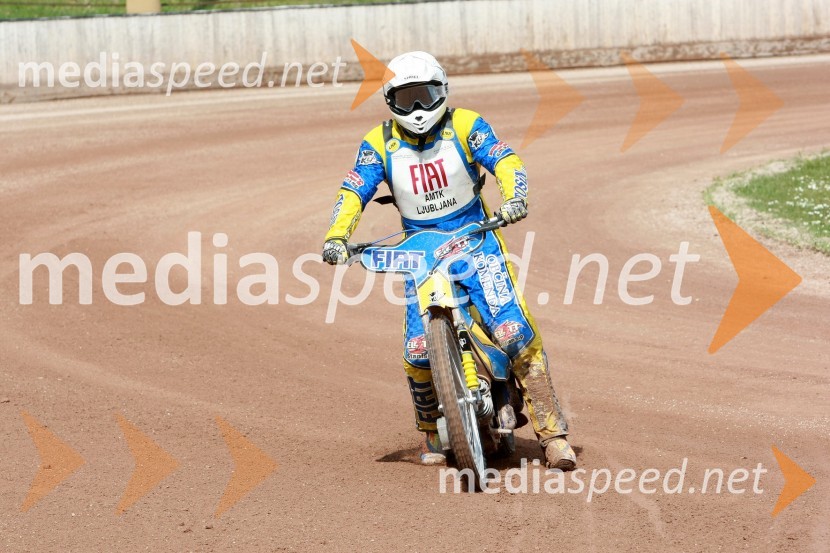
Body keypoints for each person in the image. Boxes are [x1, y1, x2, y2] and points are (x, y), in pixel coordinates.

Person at [322, 51, 576, 470]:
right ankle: (430, 433)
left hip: (476, 241)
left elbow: (506, 159)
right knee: (418, 352)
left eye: (426, 96)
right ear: (391, 101)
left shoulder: (467, 125)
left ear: (443, 91)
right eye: (408, 99)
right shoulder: (377, 143)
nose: (419, 108)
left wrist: (515, 198)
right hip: (418, 255)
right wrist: (337, 236)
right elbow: (354, 190)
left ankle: (553, 437)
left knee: (517, 334)